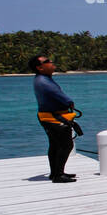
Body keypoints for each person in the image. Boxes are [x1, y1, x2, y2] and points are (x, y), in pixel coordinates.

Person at [29, 54, 80, 182]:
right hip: (53, 118)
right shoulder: (43, 81)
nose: (51, 62)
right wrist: (69, 102)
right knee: (66, 145)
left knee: (55, 145)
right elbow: (59, 96)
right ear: (39, 68)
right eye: (47, 61)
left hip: (48, 116)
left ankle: (56, 172)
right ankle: (58, 175)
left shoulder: (42, 79)